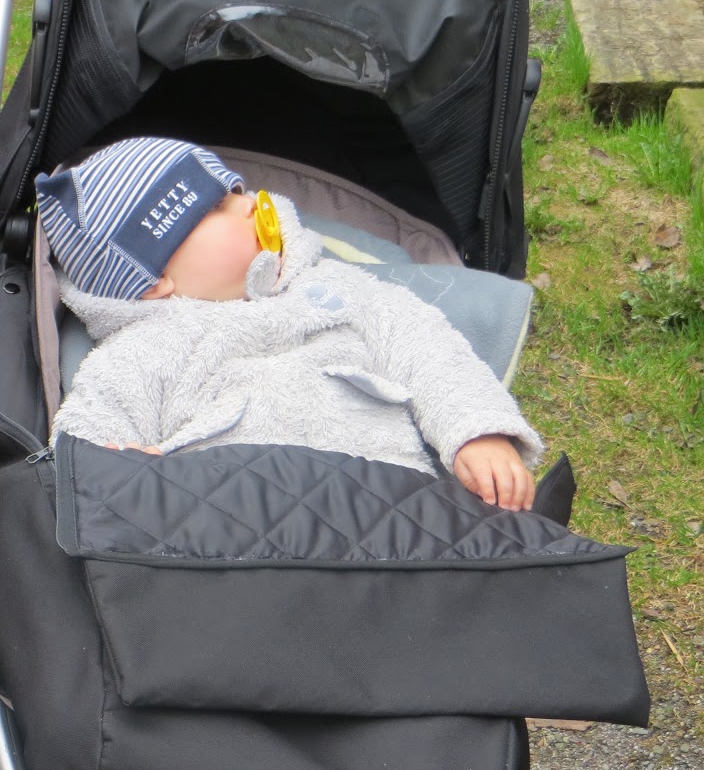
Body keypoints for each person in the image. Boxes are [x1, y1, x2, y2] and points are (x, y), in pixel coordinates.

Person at [35, 136, 542, 510]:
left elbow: (429, 351)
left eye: (236, 190)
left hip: (389, 505)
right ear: (154, 280)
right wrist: (121, 470)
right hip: (230, 530)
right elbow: (86, 440)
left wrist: (477, 433)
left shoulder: (338, 288)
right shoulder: (139, 355)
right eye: (217, 207)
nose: (250, 203)